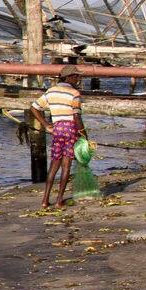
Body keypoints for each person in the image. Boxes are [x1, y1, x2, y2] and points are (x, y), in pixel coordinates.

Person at [37, 70, 89, 209]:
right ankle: (59, 200)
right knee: (66, 166)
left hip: (57, 129)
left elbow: (34, 108)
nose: (78, 79)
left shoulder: (50, 91)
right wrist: (84, 135)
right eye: (76, 76)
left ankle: (45, 200)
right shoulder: (75, 94)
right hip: (70, 130)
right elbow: (77, 117)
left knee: (54, 165)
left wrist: (46, 124)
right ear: (69, 77)